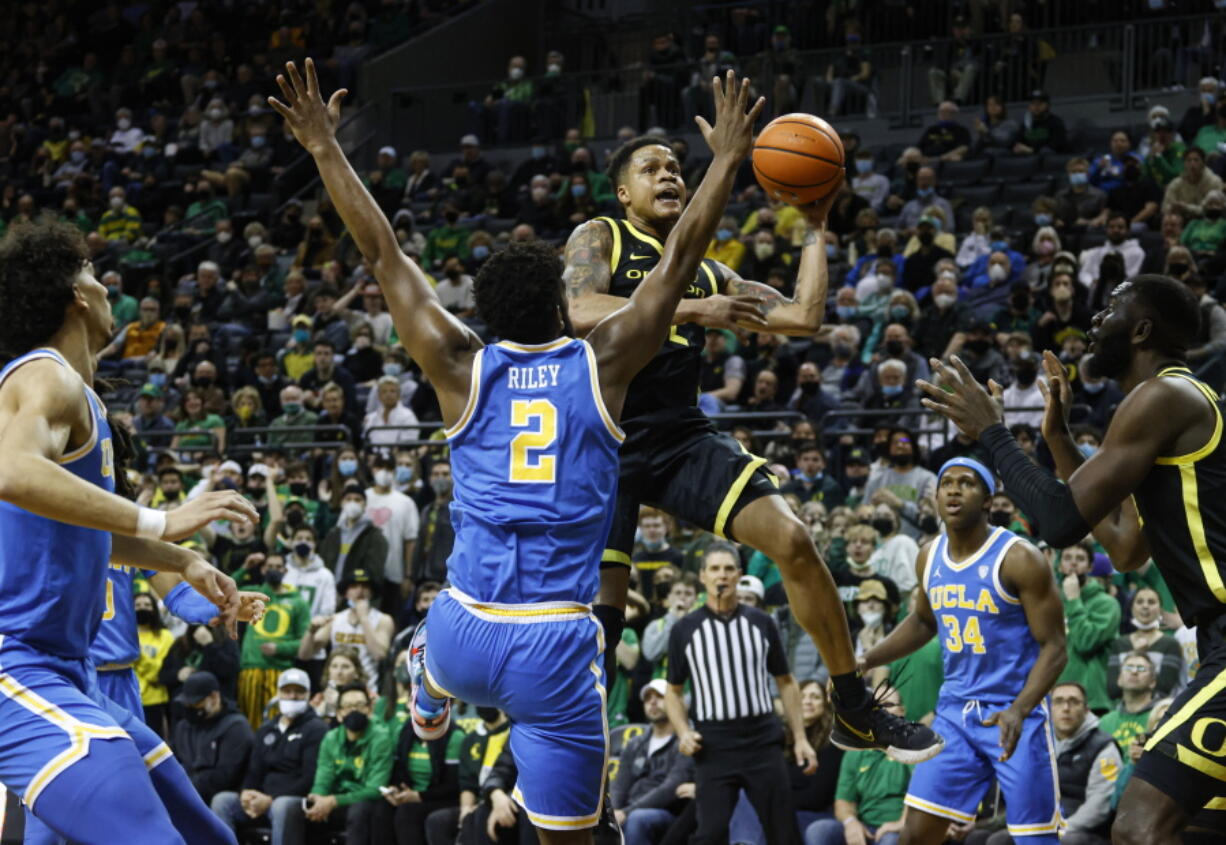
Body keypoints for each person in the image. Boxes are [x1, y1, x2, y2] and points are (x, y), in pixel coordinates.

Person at [271, 59, 767, 841]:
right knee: (568, 832)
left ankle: (426, 678)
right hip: (556, 642)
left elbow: (383, 256)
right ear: (564, 310)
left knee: (441, 638)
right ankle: (435, 679)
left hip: (463, 628)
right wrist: (730, 158)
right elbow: (674, 270)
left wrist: (324, 147)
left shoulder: (459, 364)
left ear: (485, 314)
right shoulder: (600, 365)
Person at [563, 114, 939, 772]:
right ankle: (577, 758)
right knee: (603, 618)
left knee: (794, 537)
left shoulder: (710, 271)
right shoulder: (603, 236)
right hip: (601, 438)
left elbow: (804, 316)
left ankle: (852, 702)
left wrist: (817, 230)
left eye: (676, 165)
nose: (670, 173)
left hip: (678, 434)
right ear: (621, 191)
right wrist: (687, 309)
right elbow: (579, 310)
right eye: (651, 167)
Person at [916, 275, 1226, 844]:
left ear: (1141, 330)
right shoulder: (1166, 409)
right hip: (1215, 643)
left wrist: (992, 433)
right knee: (1203, 824)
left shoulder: (1163, 397)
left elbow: (1059, 523)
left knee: (1138, 826)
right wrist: (1058, 438)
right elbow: (1127, 548)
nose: (1093, 319)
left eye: (1110, 306)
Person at [0, 220, 264, 844]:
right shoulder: (46, 377)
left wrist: (180, 556)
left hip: (71, 669)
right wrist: (162, 518)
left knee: (207, 836)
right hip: (15, 663)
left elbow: (80, 525)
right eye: (92, 270)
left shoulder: (76, 392)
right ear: (74, 296)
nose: (105, 282)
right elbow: (11, 470)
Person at [857, 457, 1068, 845]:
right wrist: (869, 659)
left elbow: (1055, 647)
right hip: (954, 713)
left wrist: (1020, 708)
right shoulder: (928, 556)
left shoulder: (1019, 558)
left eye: (967, 483)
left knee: (1035, 840)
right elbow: (923, 622)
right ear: (935, 497)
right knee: (915, 836)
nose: (954, 489)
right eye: (946, 483)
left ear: (988, 500)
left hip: (1012, 711)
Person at [665, 544, 816, 845]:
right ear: (703, 576)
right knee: (709, 833)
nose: (722, 575)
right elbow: (673, 690)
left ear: (739, 575)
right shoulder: (684, 629)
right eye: (715, 569)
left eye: (728, 568)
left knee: (783, 831)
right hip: (713, 744)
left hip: (761, 739)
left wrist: (800, 738)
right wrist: (683, 731)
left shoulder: (762, 623)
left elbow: (786, 682)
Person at [210, 668, 329, 845]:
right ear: (278, 693)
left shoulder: (317, 729)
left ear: (308, 695)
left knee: (283, 806)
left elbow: (310, 778)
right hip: (262, 799)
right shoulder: (266, 728)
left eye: (299, 692)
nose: (293, 697)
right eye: (287, 691)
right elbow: (254, 769)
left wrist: (270, 799)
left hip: (293, 799)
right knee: (223, 801)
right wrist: (247, 793)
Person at [281, 683, 393, 843]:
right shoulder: (331, 738)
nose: (354, 711)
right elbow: (323, 778)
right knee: (294, 809)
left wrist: (333, 801)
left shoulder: (381, 737)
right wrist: (318, 799)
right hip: (334, 802)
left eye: (359, 705)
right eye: (348, 706)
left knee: (360, 810)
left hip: (363, 803)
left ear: (369, 710)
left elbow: (376, 789)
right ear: (339, 714)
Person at [610, 678, 693, 842]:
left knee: (637, 819)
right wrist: (613, 813)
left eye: (660, 696)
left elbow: (671, 787)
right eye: (647, 698)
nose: (652, 702)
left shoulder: (687, 740)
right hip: (630, 810)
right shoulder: (635, 743)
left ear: (676, 702)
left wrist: (626, 812)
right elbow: (620, 785)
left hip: (666, 812)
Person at [236, 554, 310, 728]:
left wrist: (280, 648)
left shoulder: (298, 602)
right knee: (247, 722)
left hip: (280, 671)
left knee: (277, 723)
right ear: (262, 570)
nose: (273, 571)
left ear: (285, 570)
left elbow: (306, 641)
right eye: (269, 567)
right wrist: (244, 568)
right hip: (251, 669)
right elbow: (222, 590)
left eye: (278, 567)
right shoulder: (252, 594)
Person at [1042, 681, 1121, 845]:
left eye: (1074, 701)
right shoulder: (1039, 743)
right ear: (1049, 709)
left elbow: (1099, 806)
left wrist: (1061, 829)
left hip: (1088, 832)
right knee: (997, 839)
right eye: (1058, 701)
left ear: (1086, 710)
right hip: (1044, 825)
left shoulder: (1104, 746)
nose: (1066, 708)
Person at [170, 670, 256, 806]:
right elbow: (172, 762)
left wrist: (182, 787)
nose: (190, 707)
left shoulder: (235, 726)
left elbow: (225, 777)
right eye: (187, 703)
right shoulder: (183, 726)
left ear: (214, 697)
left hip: (218, 795)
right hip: (186, 791)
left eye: (196, 703)